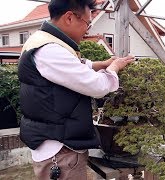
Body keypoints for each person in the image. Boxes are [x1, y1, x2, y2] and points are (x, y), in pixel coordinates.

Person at [18, 0, 135, 179]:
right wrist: (114, 68)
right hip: (61, 149)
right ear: (70, 17)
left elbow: (77, 66)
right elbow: (98, 86)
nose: (88, 29)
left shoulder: (45, 42)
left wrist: (102, 64)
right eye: (88, 22)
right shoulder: (50, 51)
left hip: (56, 141)